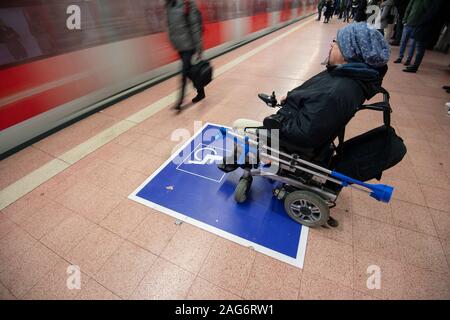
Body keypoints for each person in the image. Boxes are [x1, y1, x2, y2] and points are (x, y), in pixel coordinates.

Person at [230, 23, 390, 152]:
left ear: (348, 53)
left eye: (336, 42)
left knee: (238, 124)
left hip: (292, 141)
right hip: (302, 127)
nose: (331, 44)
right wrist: (292, 97)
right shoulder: (350, 77)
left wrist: (274, 122)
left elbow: (304, 133)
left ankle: (237, 163)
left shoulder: (335, 91)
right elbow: (316, 103)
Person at [166, 0, 205, 109]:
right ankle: (201, 92)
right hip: (180, 46)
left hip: (189, 45)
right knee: (190, 72)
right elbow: (170, 26)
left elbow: (195, 27)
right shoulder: (169, 4)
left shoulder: (187, 3)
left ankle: (180, 101)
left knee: (184, 73)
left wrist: (199, 49)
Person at [404, 0, 448, 73]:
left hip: (426, 28)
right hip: (426, 27)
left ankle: (415, 66)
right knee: (419, 48)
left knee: (420, 49)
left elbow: (430, 15)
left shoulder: (437, 3)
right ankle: (415, 65)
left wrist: (420, 22)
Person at [392, 0, 427, 66]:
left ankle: (408, 59)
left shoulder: (426, 2)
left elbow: (426, 12)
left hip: (416, 26)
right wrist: (405, 20)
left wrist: (419, 24)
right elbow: (408, 9)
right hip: (408, 24)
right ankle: (400, 57)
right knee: (403, 42)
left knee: (412, 44)